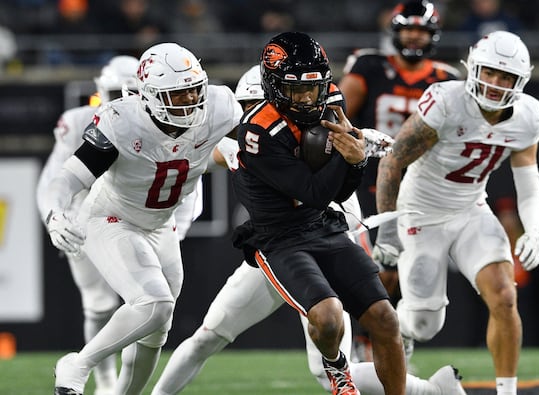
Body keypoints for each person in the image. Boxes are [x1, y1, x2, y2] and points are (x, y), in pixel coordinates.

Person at [151, 64, 466, 395]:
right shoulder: (243, 143)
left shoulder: (320, 142)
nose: (252, 118)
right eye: (246, 109)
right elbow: (192, 162)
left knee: (326, 365)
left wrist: (358, 153)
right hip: (273, 255)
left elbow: (352, 203)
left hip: (317, 253)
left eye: (256, 107)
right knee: (208, 335)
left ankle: (431, 392)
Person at [46, 42, 243, 395]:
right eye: (177, 94)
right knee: (155, 302)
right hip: (112, 218)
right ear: (148, 95)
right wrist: (55, 211)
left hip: (160, 223)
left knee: (157, 329)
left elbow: (248, 137)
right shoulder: (122, 121)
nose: (189, 101)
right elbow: (71, 176)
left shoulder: (220, 106)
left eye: (193, 90)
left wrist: (228, 146)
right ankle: (77, 366)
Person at [230, 31, 407, 395]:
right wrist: (351, 156)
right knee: (327, 318)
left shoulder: (332, 104)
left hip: (323, 226)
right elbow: (312, 193)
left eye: (312, 88)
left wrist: (354, 163)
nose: (306, 98)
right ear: (273, 85)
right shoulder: (257, 129)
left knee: (386, 320)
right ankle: (336, 364)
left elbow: (337, 194)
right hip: (280, 239)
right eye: (294, 89)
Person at [375, 31, 539, 395]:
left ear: (521, 81)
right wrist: (388, 229)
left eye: (506, 77)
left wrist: (534, 231)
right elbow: (392, 161)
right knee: (424, 325)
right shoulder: (446, 101)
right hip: (421, 212)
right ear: (474, 68)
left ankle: (507, 391)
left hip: (470, 208)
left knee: (504, 294)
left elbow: (528, 179)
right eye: (490, 72)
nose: (496, 83)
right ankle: (402, 328)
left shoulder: (528, 116)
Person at [337, 0, 461, 361]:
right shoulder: (369, 67)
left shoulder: (445, 79)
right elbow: (339, 114)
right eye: (408, 28)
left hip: (422, 188)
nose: (413, 36)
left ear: (433, 34)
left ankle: (394, 342)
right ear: (395, 30)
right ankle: (364, 345)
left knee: (414, 272)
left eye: (421, 30)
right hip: (373, 183)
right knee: (379, 272)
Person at [36, 54, 138, 395]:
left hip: (134, 217)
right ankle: (107, 380)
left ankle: (125, 383)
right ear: (99, 90)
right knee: (99, 303)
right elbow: (54, 179)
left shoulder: (154, 122)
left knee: (145, 303)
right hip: (85, 218)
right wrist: (54, 216)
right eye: (116, 93)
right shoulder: (79, 122)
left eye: (133, 94)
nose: (123, 103)